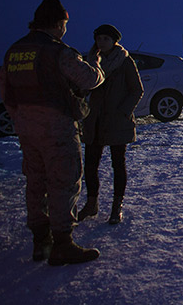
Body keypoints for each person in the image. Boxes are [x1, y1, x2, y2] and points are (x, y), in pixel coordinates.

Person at [0, 0, 105, 265]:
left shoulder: (14, 51)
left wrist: (22, 119)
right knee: (63, 181)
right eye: (65, 24)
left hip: (26, 129)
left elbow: (6, 92)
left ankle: (40, 241)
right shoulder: (57, 51)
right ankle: (62, 244)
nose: (65, 29)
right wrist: (97, 65)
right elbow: (90, 79)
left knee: (35, 183)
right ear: (59, 23)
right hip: (56, 128)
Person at [78, 24, 143, 225]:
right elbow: (82, 87)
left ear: (114, 41)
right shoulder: (90, 62)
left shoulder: (125, 62)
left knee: (118, 164)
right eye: (99, 39)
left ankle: (117, 206)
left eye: (106, 39)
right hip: (94, 120)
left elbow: (136, 90)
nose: (101, 42)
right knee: (90, 164)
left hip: (116, 121)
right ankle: (91, 204)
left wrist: (123, 111)